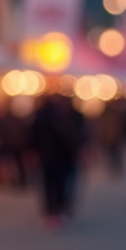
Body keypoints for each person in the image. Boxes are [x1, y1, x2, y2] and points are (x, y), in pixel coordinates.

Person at [29, 94, 84, 229]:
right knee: (58, 184)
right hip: (60, 157)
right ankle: (56, 211)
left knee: (52, 184)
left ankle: (53, 211)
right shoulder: (62, 115)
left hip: (52, 156)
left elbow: (33, 135)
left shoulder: (43, 115)